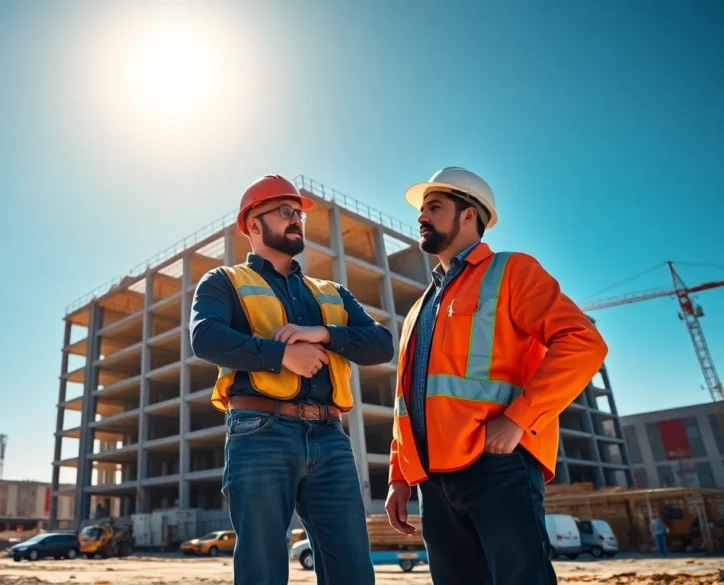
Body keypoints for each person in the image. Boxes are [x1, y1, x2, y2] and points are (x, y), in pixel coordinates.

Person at [384, 167, 609, 585]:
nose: (422, 217)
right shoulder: (419, 308)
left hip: (497, 466)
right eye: (422, 209)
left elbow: (583, 343)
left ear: (469, 215)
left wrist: (520, 418)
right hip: (431, 480)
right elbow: (407, 398)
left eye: (434, 207)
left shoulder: (512, 272)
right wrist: (400, 476)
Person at [190, 174, 394, 585]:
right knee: (262, 570)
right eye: (284, 211)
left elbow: (381, 345)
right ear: (252, 224)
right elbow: (206, 337)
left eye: (298, 212)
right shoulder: (223, 282)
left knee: (352, 570)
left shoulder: (332, 291)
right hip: (259, 432)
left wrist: (326, 334)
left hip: (330, 437)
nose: (296, 219)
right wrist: (285, 355)